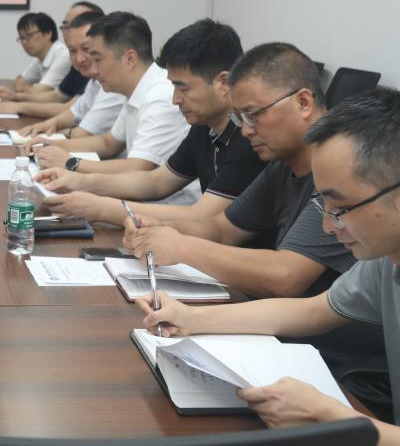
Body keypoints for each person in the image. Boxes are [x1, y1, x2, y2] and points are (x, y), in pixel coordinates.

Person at [139, 88, 400, 431]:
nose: (328, 225)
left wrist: (334, 417)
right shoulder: (385, 261)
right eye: (323, 204)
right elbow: (313, 311)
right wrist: (191, 318)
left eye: (340, 207)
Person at [121, 43, 352, 298]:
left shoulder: (343, 169)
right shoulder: (282, 165)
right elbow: (222, 230)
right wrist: (160, 229)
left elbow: (285, 275)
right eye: (239, 118)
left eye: (253, 115)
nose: (245, 131)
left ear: (303, 102)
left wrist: (181, 247)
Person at [38, 19, 266, 224]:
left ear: (223, 83)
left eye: (183, 88)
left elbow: (202, 217)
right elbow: (157, 181)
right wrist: (78, 182)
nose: (175, 99)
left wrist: (101, 208)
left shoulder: (248, 137)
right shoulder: (204, 126)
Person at [32, 12, 191, 183]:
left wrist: (70, 162)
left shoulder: (159, 98)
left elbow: (137, 167)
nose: (94, 69)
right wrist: (52, 145)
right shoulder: (135, 89)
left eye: (97, 59)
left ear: (129, 59)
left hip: (162, 199)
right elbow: (108, 142)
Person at [11, 11, 126, 132]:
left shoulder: (114, 83)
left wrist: (19, 105)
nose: (79, 58)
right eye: (72, 51)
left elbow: (87, 134)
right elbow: (74, 112)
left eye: (86, 48)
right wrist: (46, 126)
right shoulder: (95, 81)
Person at [0, 1, 102, 112]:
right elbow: (56, 96)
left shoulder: (91, 66)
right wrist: (14, 96)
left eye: (79, 24)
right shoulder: (77, 61)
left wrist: (19, 106)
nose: (71, 31)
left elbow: (69, 111)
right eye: (66, 26)